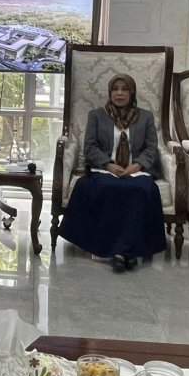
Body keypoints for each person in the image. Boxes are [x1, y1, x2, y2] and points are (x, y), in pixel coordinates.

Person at [58, 73, 167, 273]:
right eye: (115, 89)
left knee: (141, 190)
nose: (119, 93)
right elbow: (90, 147)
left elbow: (151, 148)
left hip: (136, 171)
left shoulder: (145, 117)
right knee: (107, 188)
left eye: (124, 89)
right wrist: (108, 164)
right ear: (109, 92)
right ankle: (116, 251)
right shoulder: (97, 115)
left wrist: (137, 165)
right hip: (104, 170)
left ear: (132, 93)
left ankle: (125, 251)